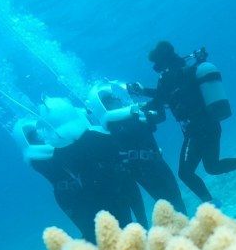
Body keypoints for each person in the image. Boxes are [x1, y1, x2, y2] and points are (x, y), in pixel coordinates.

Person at [129, 41, 236, 206]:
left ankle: (210, 203)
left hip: (195, 130)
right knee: (212, 167)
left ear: (161, 61)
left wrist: (136, 105)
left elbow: (159, 101)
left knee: (185, 173)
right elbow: (166, 95)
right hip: (212, 125)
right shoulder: (189, 70)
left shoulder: (166, 77)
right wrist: (143, 92)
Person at [13, 97, 146, 242]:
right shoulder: (39, 156)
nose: (40, 136)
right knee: (98, 234)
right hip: (83, 195)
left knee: (117, 227)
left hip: (101, 187)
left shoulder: (53, 148)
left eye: (38, 133)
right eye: (34, 135)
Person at [86, 80, 188, 216]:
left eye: (113, 96)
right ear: (103, 105)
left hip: (154, 163)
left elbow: (160, 115)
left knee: (175, 200)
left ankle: (183, 229)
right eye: (110, 98)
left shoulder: (129, 116)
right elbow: (156, 107)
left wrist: (144, 98)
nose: (116, 98)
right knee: (172, 203)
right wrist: (146, 93)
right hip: (145, 168)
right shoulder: (115, 122)